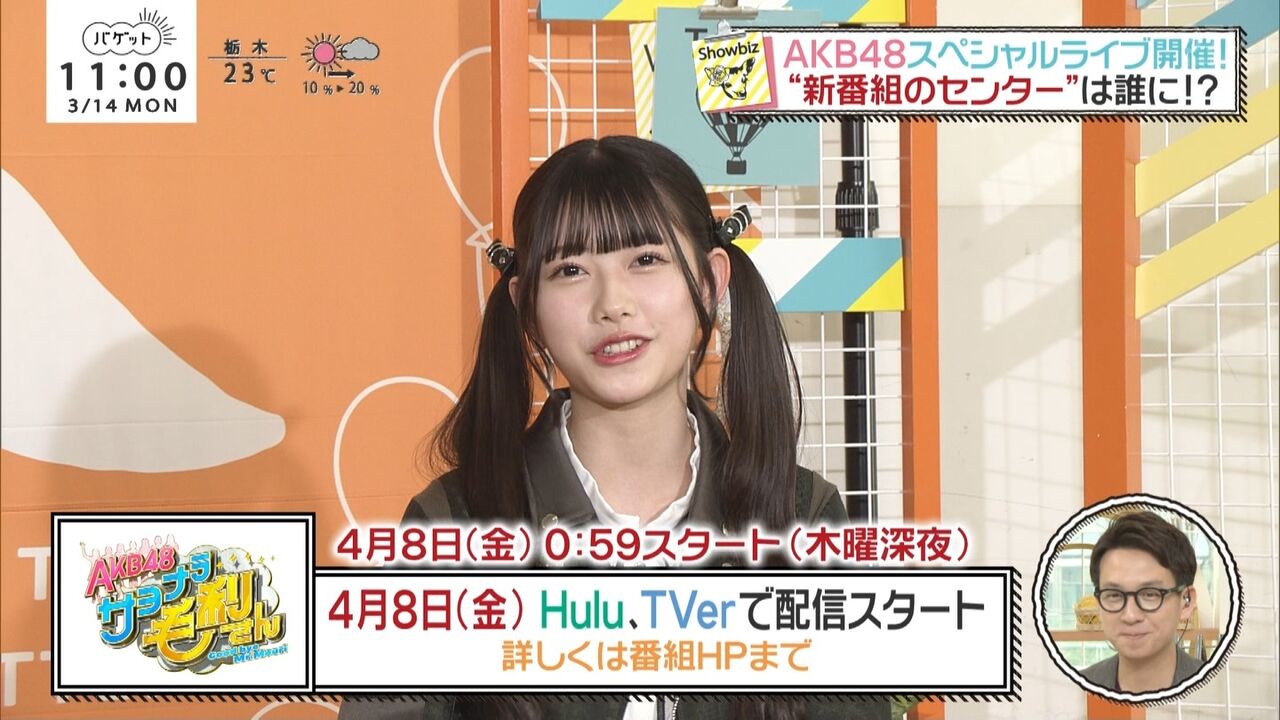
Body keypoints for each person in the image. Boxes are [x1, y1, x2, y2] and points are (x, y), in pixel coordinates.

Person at [338, 137, 887, 719]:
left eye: (645, 260)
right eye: (571, 270)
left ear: (708, 282)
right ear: (528, 308)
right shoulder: (453, 526)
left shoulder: (800, 516)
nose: (612, 304)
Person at [1080, 510, 1206, 693]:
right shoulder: (1077, 690)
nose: (1130, 616)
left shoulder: (1220, 690)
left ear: (1186, 602)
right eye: (1114, 595)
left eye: (1150, 594)